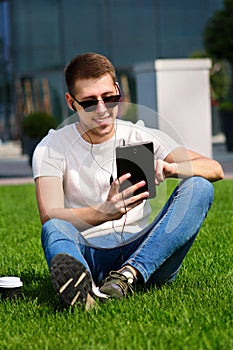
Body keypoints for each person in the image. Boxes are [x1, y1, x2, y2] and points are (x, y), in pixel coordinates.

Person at [32, 52, 224, 310]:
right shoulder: (51, 147)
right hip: (91, 252)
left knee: (199, 186)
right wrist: (103, 213)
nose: (102, 110)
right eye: (89, 102)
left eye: (109, 98)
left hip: (147, 249)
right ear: (71, 102)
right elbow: (49, 214)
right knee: (54, 227)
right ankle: (83, 285)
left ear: (118, 91)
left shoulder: (140, 134)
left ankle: (128, 275)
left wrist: (170, 168)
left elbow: (214, 169)